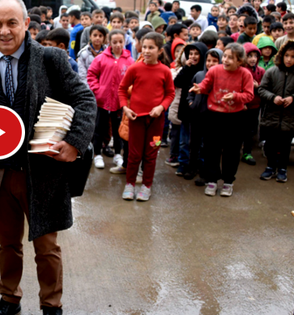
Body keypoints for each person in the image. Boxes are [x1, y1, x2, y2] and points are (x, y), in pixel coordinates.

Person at [0, 0, 96, 315]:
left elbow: (84, 98)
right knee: (7, 244)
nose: (4, 31)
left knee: (46, 246)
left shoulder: (51, 59)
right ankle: (9, 298)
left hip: (40, 173)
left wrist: (74, 143)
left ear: (26, 25)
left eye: (11, 23)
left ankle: (52, 307)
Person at [189, 43, 254, 197]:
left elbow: (249, 95)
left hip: (234, 117)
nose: (225, 60)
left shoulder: (245, 74)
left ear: (239, 61)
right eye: (224, 56)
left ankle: (228, 181)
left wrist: (236, 96)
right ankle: (212, 180)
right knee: (211, 149)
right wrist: (200, 88)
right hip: (214, 116)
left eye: (230, 58)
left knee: (232, 151)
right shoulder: (215, 70)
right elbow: (206, 84)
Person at [118, 32, 175, 201]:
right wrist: (125, 109)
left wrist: (161, 107)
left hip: (156, 122)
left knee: (151, 154)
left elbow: (170, 94)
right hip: (136, 120)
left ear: (160, 50)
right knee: (134, 154)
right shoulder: (134, 68)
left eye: (151, 47)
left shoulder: (165, 71)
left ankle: (146, 185)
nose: (147, 51)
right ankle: (129, 184)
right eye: (144, 47)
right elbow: (122, 90)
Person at [87, 29, 133, 172]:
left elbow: (133, 80)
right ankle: (97, 154)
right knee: (99, 128)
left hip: (120, 103)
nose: (118, 45)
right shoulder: (101, 58)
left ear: (124, 42)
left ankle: (118, 154)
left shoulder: (129, 61)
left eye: (120, 42)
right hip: (102, 100)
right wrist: (97, 89)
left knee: (118, 129)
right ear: (109, 42)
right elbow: (91, 74)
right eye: (114, 42)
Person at [184, 48, 223, 182]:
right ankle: (191, 168)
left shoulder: (222, 77)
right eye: (208, 60)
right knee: (193, 143)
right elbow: (190, 91)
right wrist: (191, 103)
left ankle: (205, 172)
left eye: (214, 61)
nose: (210, 63)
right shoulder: (199, 75)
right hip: (196, 115)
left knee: (208, 146)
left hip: (212, 117)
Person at [258, 40, 294, 182]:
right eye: (287, 56)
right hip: (271, 116)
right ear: (281, 55)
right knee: (270, 144)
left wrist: (292, 98)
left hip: (290, 118)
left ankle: (282, 168)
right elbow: (261, 89)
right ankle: (270, 167)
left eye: (292, 56)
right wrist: (273, 98)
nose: (289, 59)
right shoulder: (272, 71)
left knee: (285, 145)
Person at [172, 42, 207, 176]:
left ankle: (198, 163)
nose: (193, 56)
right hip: (186, 110)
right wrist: (186, 68)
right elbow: (177, 83)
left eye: (196, 54)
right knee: (184, 140)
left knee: (200, 141)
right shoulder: (186, 69)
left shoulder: (205, 71)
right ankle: (183, 163)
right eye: (190, 54)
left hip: (200, 111)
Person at [240, 42, 265, 166]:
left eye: (255, 56)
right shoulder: (241, 70)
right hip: (242, 106)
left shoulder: (261, 71)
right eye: (249, 56)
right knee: (239, 129)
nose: (253, 59)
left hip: (255, 105)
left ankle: (247, 152)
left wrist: (258, 86)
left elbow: (265, 88)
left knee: (250, 130)